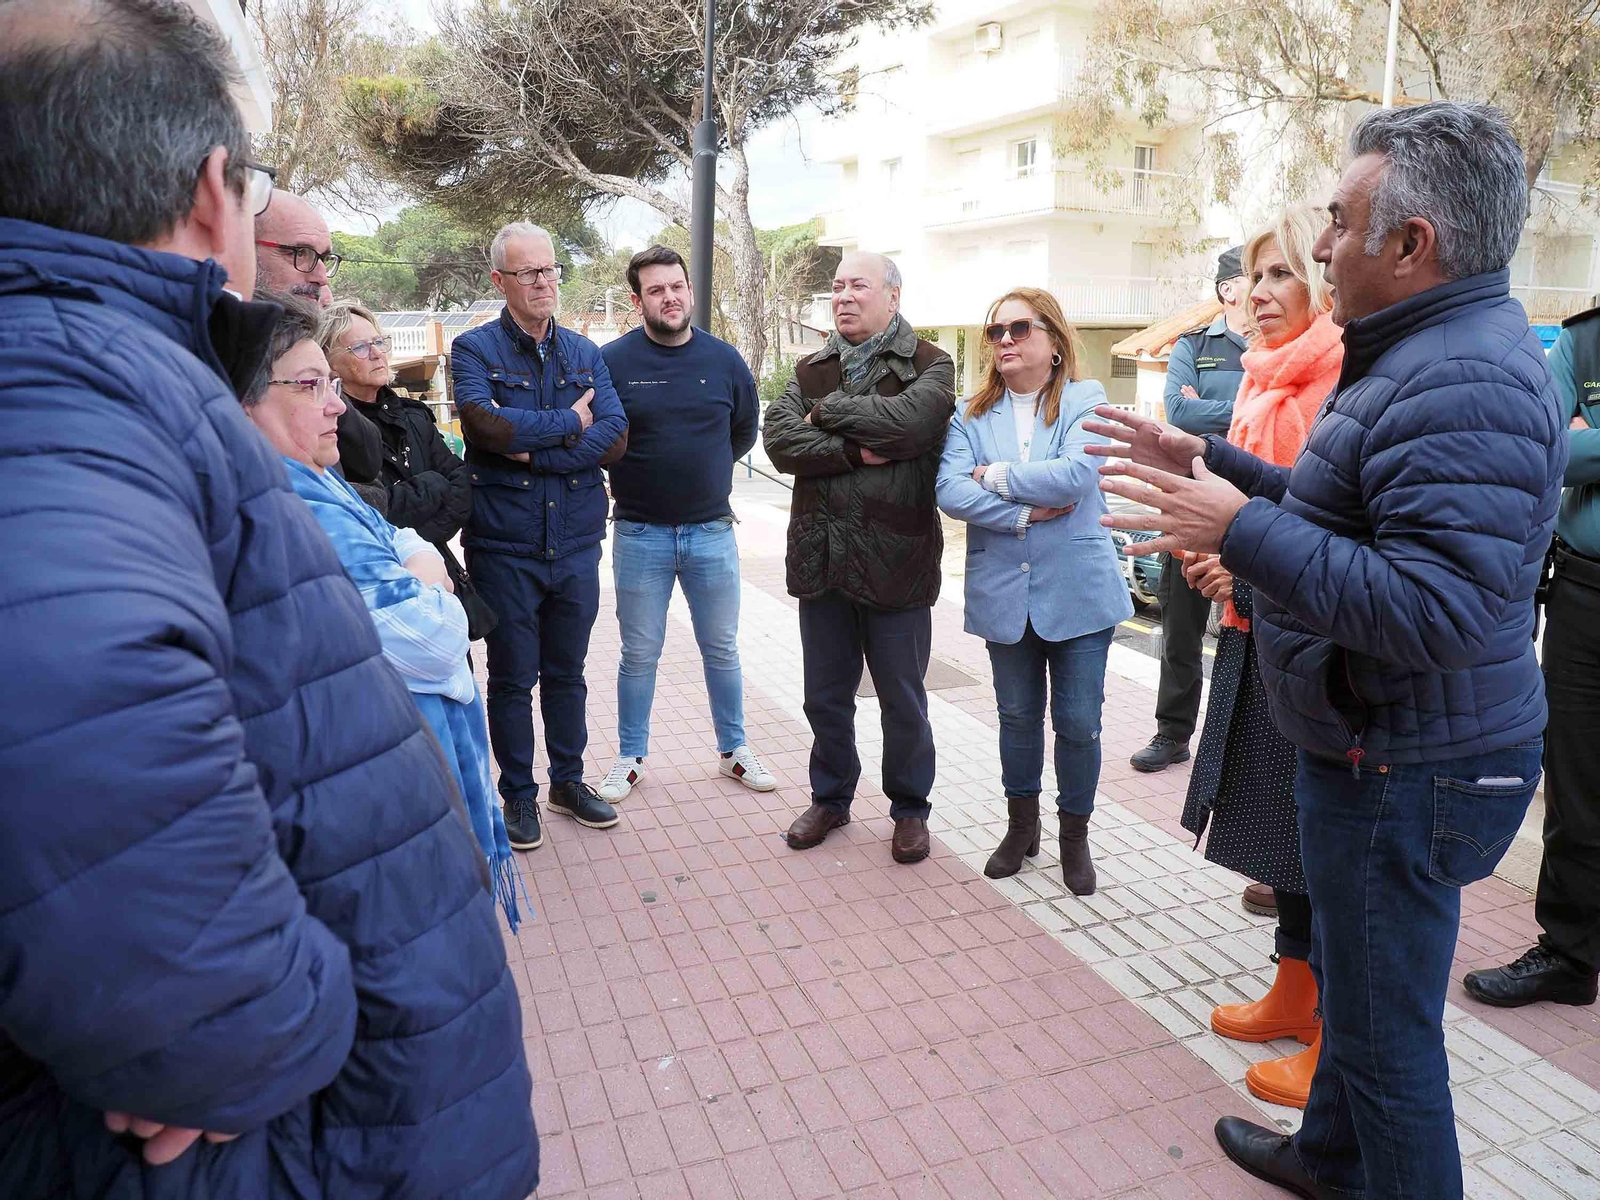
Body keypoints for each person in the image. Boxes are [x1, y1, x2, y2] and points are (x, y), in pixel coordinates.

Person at [0, 1, 538, 1194]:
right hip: (301, 1137)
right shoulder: (74, 373)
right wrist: (234, 1030)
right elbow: (57, 689)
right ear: (209, 195)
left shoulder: (95, 362)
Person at [1091, 102, 1566, 1199]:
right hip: (1381, 744)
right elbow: (1343, 509)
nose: (1316, 246)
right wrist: (1215, 462)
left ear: (1413, 244)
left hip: (1406, 765)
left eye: (1338, 220)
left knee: (1390, 1045)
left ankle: (1365, 1161)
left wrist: (1235, 529)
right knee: (1359, 1009)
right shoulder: (1420, 351)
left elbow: (1438, 609)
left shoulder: (1465, 377)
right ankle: (1330, 1160)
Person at [248, 294, 520, 924]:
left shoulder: (329, 470)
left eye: (379, 345)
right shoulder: (293, 500)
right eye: (314, 384)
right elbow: (429, 642)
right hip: (388, 777)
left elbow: (445, 497)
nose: (336, 403)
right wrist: (425, 569)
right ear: (247, 397)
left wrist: (413, 543)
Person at [1176, 204, 1344, 1110]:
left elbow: (1319, 538)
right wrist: (1218, 560)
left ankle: (1331, 1027)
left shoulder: (1331, 386)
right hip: (1256, 636)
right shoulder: (1259, 382)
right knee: (1281, 835)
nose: (1262, 293)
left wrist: (1237, 566)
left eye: (1282, 273)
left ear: (1323, 283)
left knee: (1322, 840)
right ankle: (1293, 988)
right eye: (1253, 275)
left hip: (1309, 646)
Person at [936, 288, 1131, 894]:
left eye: (1019, 328)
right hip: (1003, 591)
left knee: (1077, 722)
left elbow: (1076, 475)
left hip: (1078, 591)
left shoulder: (1085, 398)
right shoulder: (967, 415)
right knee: (1016, 718)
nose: (1005, 341)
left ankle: (1075, 837)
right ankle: (1022, 828)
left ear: (1054, 338)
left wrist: (992, 477)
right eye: (995, 331)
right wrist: (1022, 513)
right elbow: (948, 491)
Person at [763, 251, 956, 864]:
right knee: (824, 694)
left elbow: (911, 426)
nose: (843, 297)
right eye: (837, 287)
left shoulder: (931, 363)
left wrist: (830, 415)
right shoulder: (811, 365)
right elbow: (779, 440)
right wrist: (853, 452)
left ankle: (909, 810)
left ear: (893, 297)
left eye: (859, 286)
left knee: (902, 698)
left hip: (896, 561)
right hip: (821, 559)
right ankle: (830, 797)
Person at [451, 221, 629, 852]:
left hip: (577, 544)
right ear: (500, 280)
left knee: (568, 674)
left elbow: (616, 435)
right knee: (510, 678)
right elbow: (483, 427)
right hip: (505, 546)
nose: (544, 282)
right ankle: (519, 796)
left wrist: (538, 448)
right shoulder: (474, 350)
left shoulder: (585, 352)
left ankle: (569, 783)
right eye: (528, 272)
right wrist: (565, 426)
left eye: (551, 269)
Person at [596, 245, 775, 801]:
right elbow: (601, 433)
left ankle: (734, 752)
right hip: (639, 533)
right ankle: (630, 757)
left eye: (677, 286)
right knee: (638, 653)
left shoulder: (724, 361)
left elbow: (742, 432)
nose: (669, 297)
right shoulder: (612, 362)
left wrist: (707, 470)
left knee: (721, 648)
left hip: (712, 532)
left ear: (690, 292)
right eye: (656, 289)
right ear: (638, 300)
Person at [1463, 305, 1600, 1010]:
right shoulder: (1584, 337)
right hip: (1585, 589)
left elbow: (1575, 448)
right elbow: (1547, 448)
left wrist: (1590, 437)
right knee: (1575, 786)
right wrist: (1573, 441)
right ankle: (1570, 955)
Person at [1130, 244, 1249, 777]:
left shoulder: (1281, 346)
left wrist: (1213, 410)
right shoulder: (1195, 346)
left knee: (1249, 625)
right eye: (1258, 276)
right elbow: (1177, 412)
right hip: (1189, 504)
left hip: (1254, 506)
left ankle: (1240, 740)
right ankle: (1173, 732)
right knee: (1180, 626)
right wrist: (1248, 403)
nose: (1269, 288)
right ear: (1228, 289)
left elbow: (1202, 413)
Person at [320, 301, 481, 618]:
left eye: (379, 342)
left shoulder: (413, 418)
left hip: (439, 587)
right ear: (328, 361)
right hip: (377, 597)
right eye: (361, 347)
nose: (378, 353)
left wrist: (419, 543)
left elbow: (461, 484)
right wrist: (433, 485)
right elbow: (370, 513)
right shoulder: (328, 429)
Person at [254, 189, 386, 509]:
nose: (321, 276)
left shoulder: (305, 346)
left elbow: (367, 458)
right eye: (300, 253)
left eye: (324, 258)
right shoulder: (201, 363)